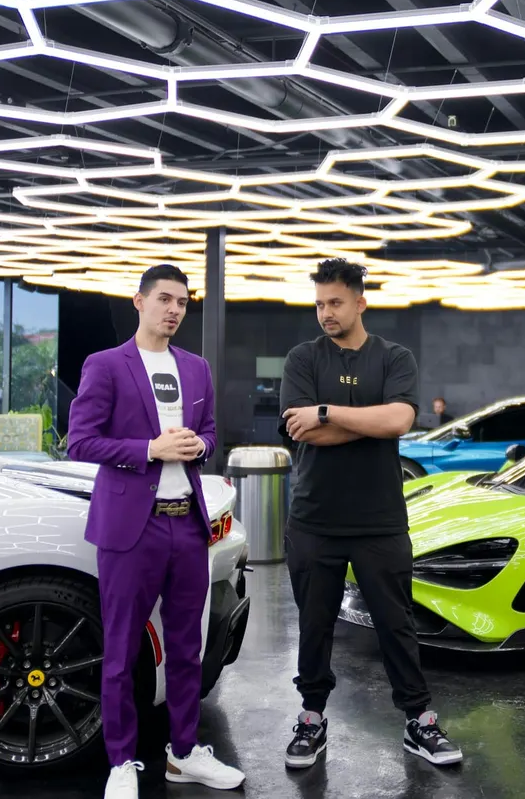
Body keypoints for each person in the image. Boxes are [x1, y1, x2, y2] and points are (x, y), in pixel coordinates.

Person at [66, 264, 244, 798]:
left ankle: (184, 753)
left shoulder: (196, 369)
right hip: (130, 530)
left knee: (188, 646)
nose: (174, 310)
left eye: (182, 303)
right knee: (121, 651)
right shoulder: (106, 365)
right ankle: (121, 761)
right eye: (164, 299)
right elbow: (81, 442)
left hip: (186, 526)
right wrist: (150, 450)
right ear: (139, 301)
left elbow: (211, 431)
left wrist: (200, 447)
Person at [278, 257, 462, 769]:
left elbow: (400, 419)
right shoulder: (302, 359)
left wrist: (327, 412)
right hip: (314, 519)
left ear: (361, 301)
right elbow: (303, 429)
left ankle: (418, 721)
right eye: (319, 303)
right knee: (315, 626)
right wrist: (364, 420)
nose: (325, 313)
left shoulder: (394, 357)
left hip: (380, 519)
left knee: (396, 624)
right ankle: (312, 718)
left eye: (335, 302)